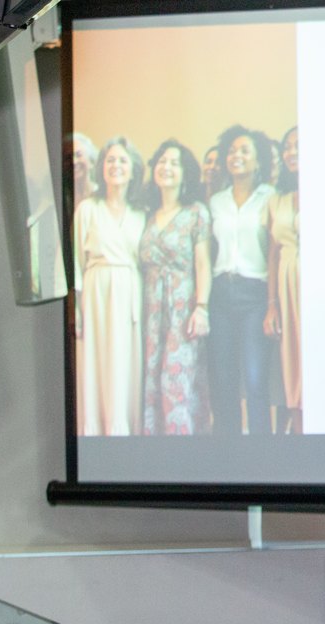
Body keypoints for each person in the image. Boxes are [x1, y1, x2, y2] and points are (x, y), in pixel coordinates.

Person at [73, 136, 148, 436]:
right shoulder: (87, 209)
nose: (116, 165)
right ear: (101, 167)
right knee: (97, 366)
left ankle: (124, 434)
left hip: (129, 295)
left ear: (133, 170)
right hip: (96, 296)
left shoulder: (142, 213)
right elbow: (76, 264)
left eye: (123, 160)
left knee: (125, 366)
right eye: (110, 160)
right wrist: (76, 310)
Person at [207, 125, 277, 435]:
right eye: (232, 151)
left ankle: (261, 453)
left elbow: (273, 253)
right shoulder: (216, 201)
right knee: (224, 380)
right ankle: (230, 452)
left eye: (245, 151)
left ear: (258, 160)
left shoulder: (270, 198)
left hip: (255, 296)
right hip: (221, 293)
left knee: (254, 378)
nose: (237, 155)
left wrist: (272, 303)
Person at [139, 140, 212, 435]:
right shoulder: (147, 215)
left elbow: (203, 263)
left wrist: (202, 308)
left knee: (177, 382)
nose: (166, 167)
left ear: (185, 173)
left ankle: (182, 450)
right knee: (152, 383)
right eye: (161, 161)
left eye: (174, 163)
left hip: (182, 310)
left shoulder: (196, 213)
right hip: (151, 314)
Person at [265, 127, 302, 433]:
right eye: (287, 146)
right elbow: (273, 254)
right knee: (292, 366)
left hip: (317, 291)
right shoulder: (277, 201)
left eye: (299, 145)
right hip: (286, 289)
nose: (292, 152)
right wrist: (272, 305)